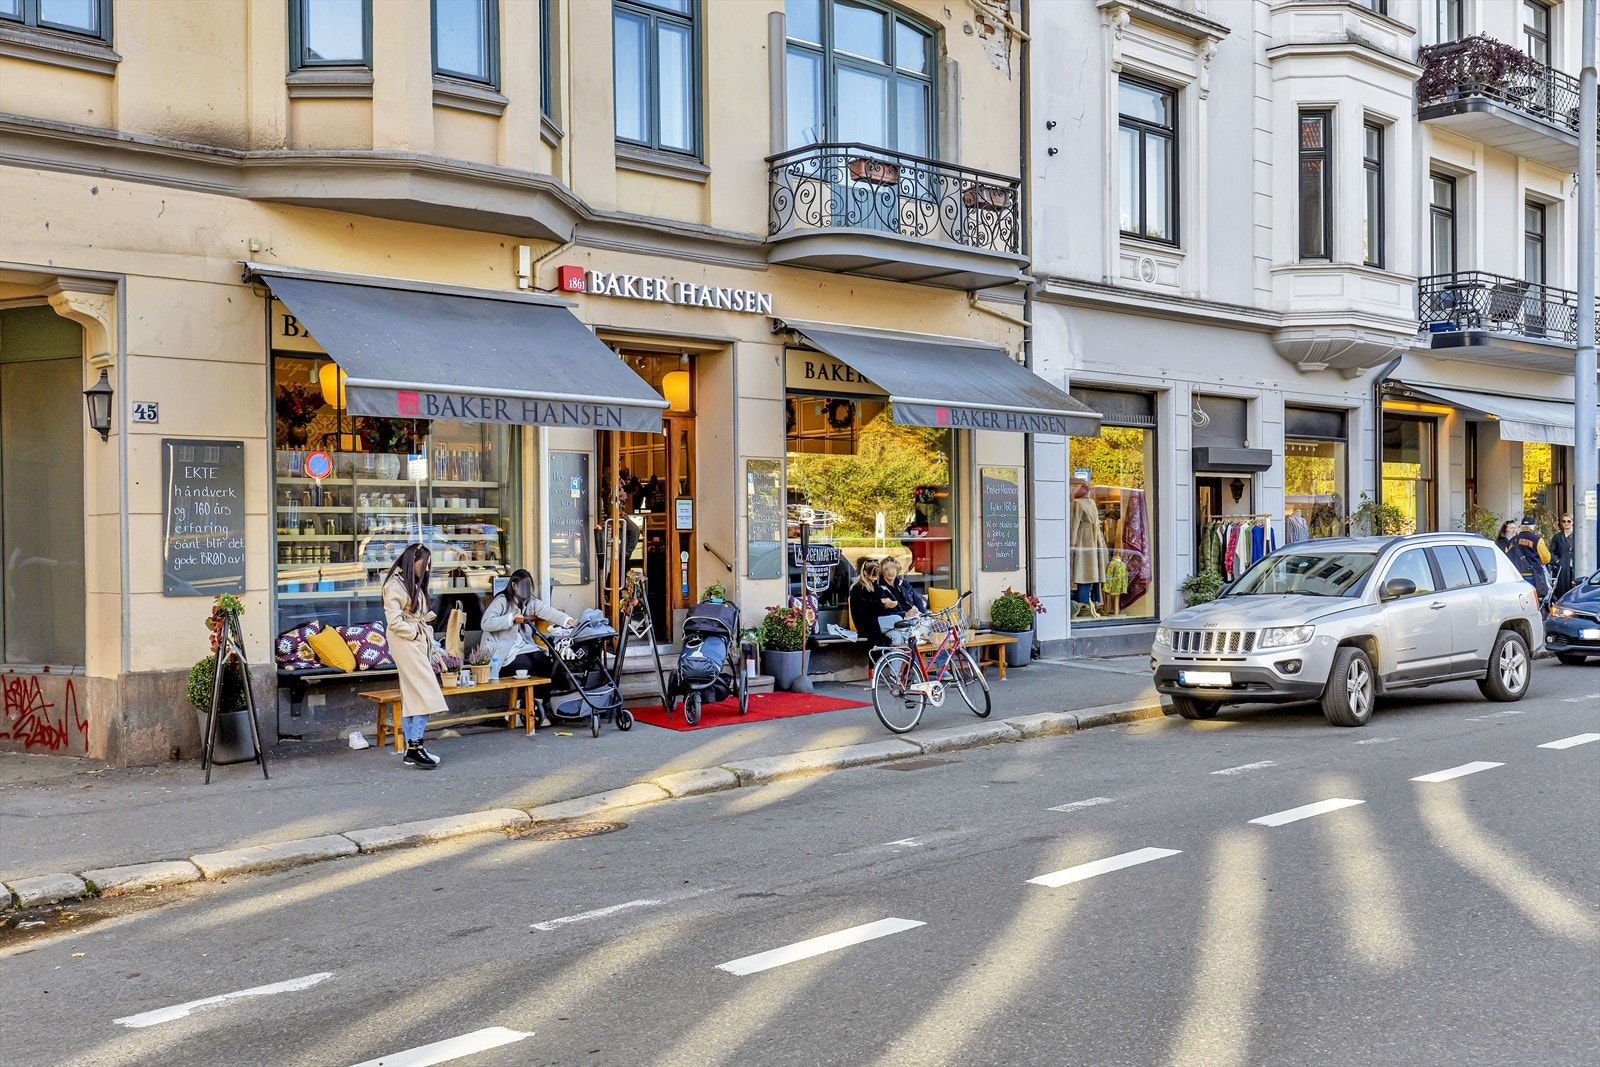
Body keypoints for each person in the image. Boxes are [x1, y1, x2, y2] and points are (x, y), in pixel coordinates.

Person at [382, 543, 447, 769]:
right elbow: (394, 621)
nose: (427, 568)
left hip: (411, 642)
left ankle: (413, 748)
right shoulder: (395, 585)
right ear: (413, 560)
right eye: (425, 563)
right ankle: (415, 746)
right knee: (426, 694)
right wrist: (417, 633)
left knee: (413, 697)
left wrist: (420, 633)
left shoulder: (406, 583)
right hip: (407, 642)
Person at [480, 569, 575, 680]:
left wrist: (568, 620)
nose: (528, 589)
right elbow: (486, 623)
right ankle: (523, 696)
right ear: (514, 586)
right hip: (504, 648)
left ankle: (542, 696)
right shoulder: (502, 601)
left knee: (543, 661)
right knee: (524, 665)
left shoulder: (531, 602)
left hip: (525, 646)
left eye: (529, 586)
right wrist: (511, 618)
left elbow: (548, 611)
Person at [848, 559, 902, 648]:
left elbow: (881, 608)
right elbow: (864, 609)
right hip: (866, 624)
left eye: (876, 573)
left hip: (878, 621)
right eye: (872, 572)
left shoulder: (876, 587)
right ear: (865, 572)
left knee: (897, 635)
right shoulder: (858, 588)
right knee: (898, 619)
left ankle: (896, 660)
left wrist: (890, 605)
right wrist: (881, 603)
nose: (874, 575)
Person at [1506, 516, 1553, 608]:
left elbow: (1506, 558)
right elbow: (1546, 559)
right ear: (1533, 527)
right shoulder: (1537, 539)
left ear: (1521, 526)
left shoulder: (1511, 540)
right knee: (1532, 603)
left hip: (1515, 576)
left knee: (1518, 602)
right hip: (1532, 576)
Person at [1550, 513, 1576, 600]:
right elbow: (1551, 551)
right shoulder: (1557, 536)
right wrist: (1557, 561)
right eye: (1564, 521)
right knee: (1562, 588)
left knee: (1574, 586)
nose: (1566, 523)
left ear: (1573, 522)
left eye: (1569, 521)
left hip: (1575, 566)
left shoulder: (1578, 535)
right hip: (1562, 567)